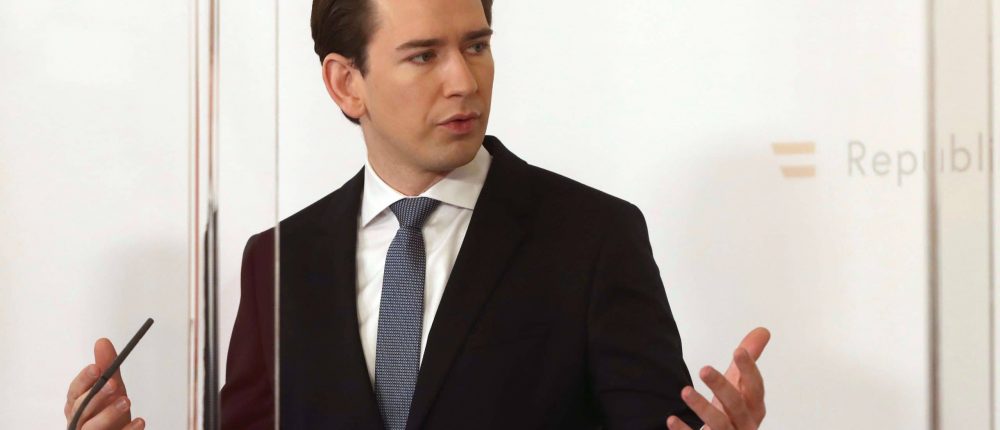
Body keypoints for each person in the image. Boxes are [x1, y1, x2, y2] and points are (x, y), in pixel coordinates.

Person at [65, 0, 771, 429]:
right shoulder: (279, 259)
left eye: (476, 45)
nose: (463, 80)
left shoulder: (592, 237)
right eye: (424, 56)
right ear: (347, 83)